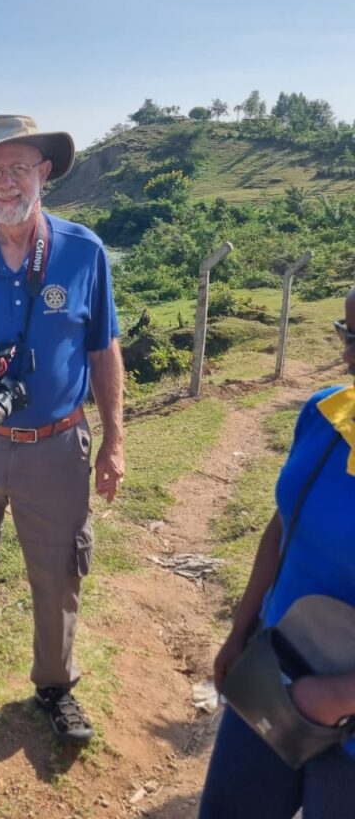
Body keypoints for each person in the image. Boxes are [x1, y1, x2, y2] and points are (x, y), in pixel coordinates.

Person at [0, 114, 125, 745]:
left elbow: (103, 352)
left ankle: (55, 687)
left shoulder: (83, 252)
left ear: (44, 174)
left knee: (58, 573)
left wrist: (114, 441)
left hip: (57, 448)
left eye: (18, 169)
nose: (6, 184)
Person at [199, 286, 355, 818]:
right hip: (273, 674)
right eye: (347, 334)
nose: (349, 355)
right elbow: (281, 527)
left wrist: (334, 696)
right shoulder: (327, 415)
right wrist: (242, 629)